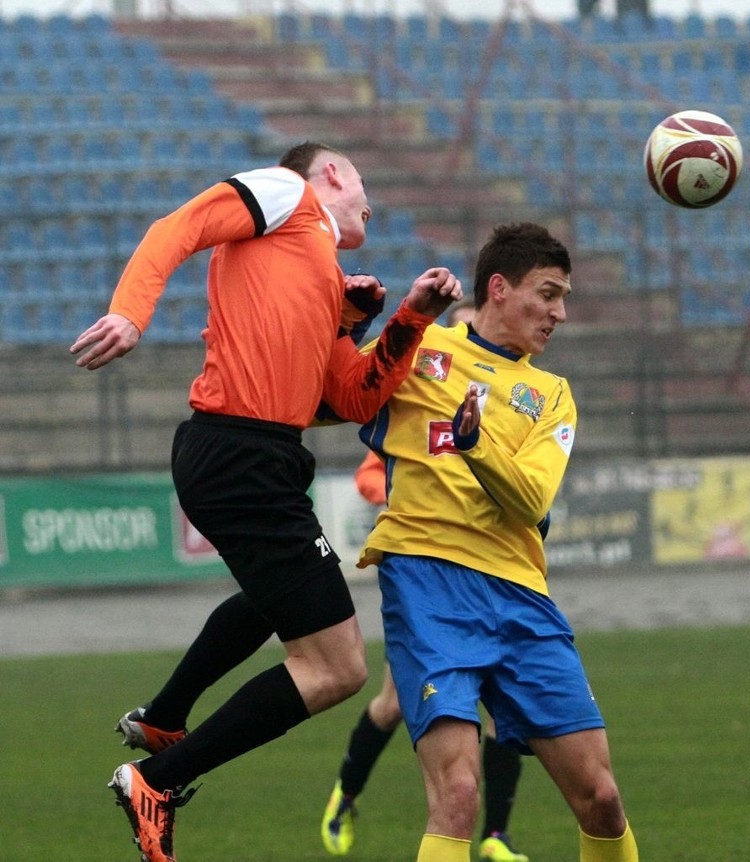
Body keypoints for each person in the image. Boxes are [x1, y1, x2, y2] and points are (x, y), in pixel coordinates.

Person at [69, 140, 462, 862]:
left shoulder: (321, 271)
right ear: (335, 172)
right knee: (338, 667)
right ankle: (154, 779)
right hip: (239, 452)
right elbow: (175, 229)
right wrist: (131, 313)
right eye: (364, 178)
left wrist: (405, 318)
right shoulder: (288, 193)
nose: (370, 201)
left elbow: (349, 396)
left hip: (260, 459)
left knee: (280, 603)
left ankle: (164, 720)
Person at [353, 222, 639, 862]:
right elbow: (336, 396)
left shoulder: (553, 397)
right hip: (427, 582)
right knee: (457, 793)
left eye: (564, 297)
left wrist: (473, 441)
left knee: (601, 798)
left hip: (519, 595)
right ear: (500, 288)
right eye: (548, 293)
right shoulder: (421, 347)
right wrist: (355, 323)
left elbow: (531, 500)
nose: (559, 313)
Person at [321, 302, 531, 862]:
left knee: (498, 713)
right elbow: (373, 470)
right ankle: (347, 793)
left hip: (486, 579)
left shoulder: (506, 404)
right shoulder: (423, 393)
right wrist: (409, 495)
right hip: (428, 582)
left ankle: (496, 835)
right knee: (391, 703)